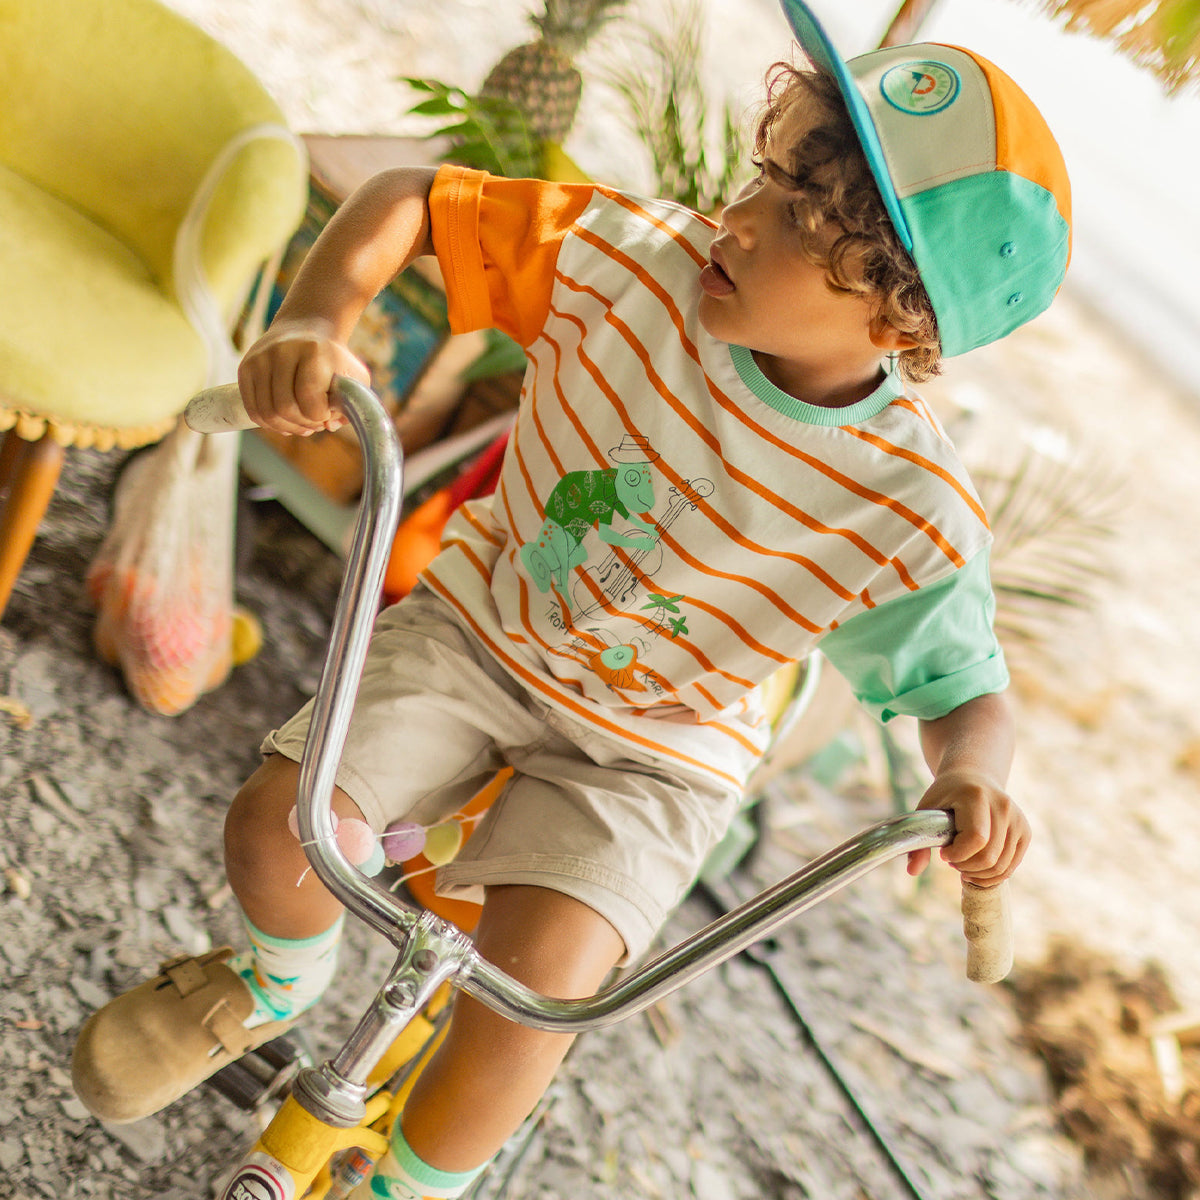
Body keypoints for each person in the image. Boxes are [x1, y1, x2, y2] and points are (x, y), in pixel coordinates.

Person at [73, 1, 1071, 1195]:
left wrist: (969, 774)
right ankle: (273, 983)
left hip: (654, 756)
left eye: (799, 224)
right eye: (764, 178)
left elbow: (968, 690)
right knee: (280, 828)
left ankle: (411, 1187)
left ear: (899, 315)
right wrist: (316, 318)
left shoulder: (904, 505)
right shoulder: (631, 258)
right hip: (485, 633)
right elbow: (409, 201)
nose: (741, 222)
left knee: (533, 1000)